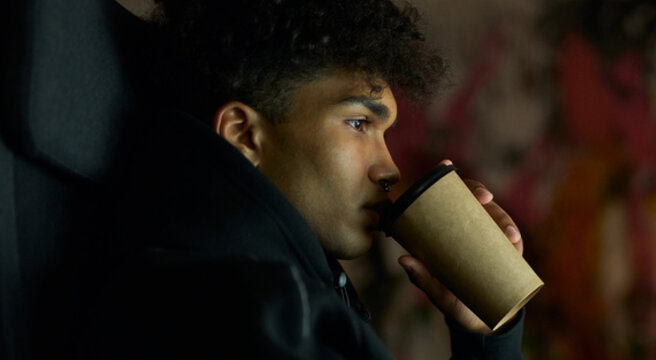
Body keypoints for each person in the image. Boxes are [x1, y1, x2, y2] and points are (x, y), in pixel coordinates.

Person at [81, 0, 526, 358]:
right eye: (357, 124)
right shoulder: (259, 319)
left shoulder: (239, 280)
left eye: (383, 133)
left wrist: (486, 335)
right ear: (243, 134)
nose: (388, 169)